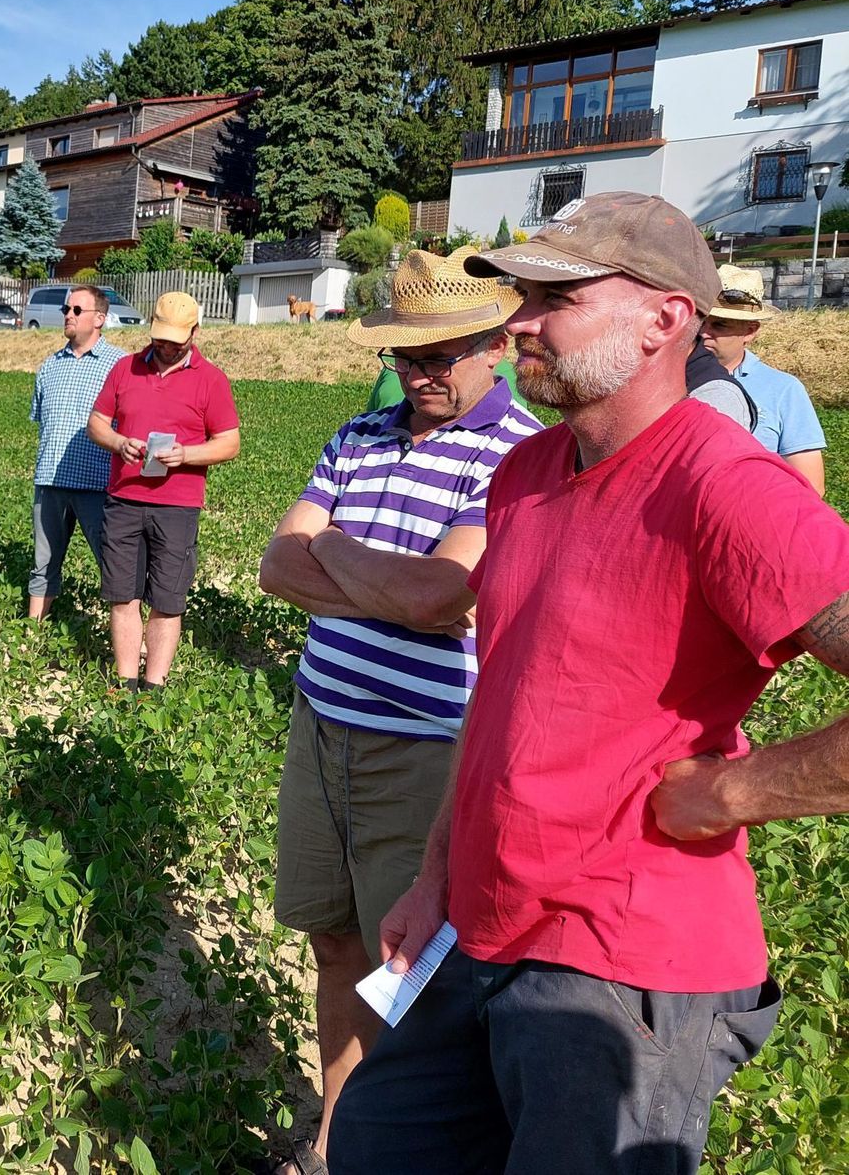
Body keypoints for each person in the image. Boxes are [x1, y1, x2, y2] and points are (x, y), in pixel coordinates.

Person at [329, 192, 849, 1174]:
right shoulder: (525, 472)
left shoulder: (725, 486)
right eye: (521, 294)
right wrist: (437, 876)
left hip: (624, 959)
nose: (519, 320)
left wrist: (732, 793)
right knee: (374, 1139)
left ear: (666, 319)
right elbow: (503, 693)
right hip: (482, 923)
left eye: (554, 298)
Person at [259, 248, 542, 1174]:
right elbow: (274, 568)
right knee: (335, 946)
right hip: (319, 724)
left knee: (409, 979)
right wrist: (378, 574)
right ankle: (337, 1142)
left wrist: (331, 547)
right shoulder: (357, 433)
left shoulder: (520, 456)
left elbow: (440, 599)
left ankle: (395, 1151)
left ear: (494, 346)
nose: (422, 373)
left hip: (424, 750)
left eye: (444, 354)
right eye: (409, 357)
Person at [85, 291, 240, 691]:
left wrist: (186, 454)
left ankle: (153, 688)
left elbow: (229, 443)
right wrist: (120, 443)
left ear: (195, 333)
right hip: (123, 500)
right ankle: (125, 682)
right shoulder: (125, 369)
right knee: (123, 596)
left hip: (177, 507)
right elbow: (97, 423)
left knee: (167, 601)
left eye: (175, 341)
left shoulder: (212, 380)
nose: (166, 348)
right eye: (160, 339)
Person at [27, 284, 127, 619]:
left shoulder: (121, 365)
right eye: (66, 310)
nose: (68, 315)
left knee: (113, 563)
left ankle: (131, 640)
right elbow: (41, 421)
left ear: (99, 318)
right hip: (50, 480)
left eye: (76, 310)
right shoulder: (50, 365)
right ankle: (31, 634)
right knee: (43, 562)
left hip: (97, 484)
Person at [702, 263, 827, 496]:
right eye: (701, 321)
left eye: (719, 325)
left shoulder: (783, 390)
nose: (703, 333)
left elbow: (810, 487)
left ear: (750, 331)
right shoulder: (668, 378)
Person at [362, 247, 517, 412]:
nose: (414, 381)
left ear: (494, 349)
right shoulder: (358, 430)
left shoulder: (521, 438)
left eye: (436, 363)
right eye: (402, 359)